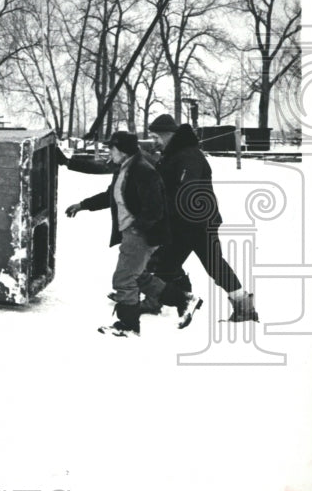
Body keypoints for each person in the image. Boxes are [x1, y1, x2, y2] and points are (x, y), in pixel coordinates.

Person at [64, 131, 198, 337]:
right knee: (139, 276)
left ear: (122, 150)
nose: (109, 151)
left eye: (112, 148)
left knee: (124, 278)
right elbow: (110, 195)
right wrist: (82, 205)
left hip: (142, 234)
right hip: (132, 232)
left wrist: (138, 228)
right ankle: (183, 299)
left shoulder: (143, 170)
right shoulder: (124, 168)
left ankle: (128, 325)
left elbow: (155, 207)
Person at [145, 114, 258, 322]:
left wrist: (162, 210)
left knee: (203, 264)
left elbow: (185, 190)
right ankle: (174, 298)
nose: (155, 141)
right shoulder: (173, 154)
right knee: (171, 262)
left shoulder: (188, 156)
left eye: (157, 136)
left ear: (169, 134)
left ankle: (168, 299)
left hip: (197, 223)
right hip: (188, 222)